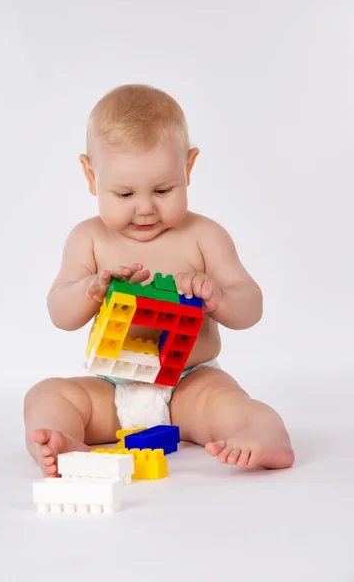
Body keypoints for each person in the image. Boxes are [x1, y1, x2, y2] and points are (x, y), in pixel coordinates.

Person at [24, 84, 294, 477]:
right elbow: (59, 314)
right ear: (90, 175)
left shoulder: (205, 235)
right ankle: (61, 441)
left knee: (229, 404)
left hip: (190, 384)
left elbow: (251, 305)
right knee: (46, 394)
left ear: (188, 168)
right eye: (124, 193)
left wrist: (218, 297)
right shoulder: (88, 238)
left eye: (164, 190)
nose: (146, 208)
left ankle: (263, 434)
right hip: (112, 390)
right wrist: (90, 290)